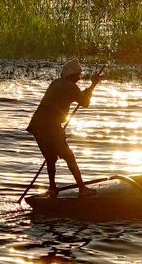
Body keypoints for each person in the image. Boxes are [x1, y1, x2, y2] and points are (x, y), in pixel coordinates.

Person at [27, 60, 103, 197]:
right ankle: (82, 188)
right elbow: (84, 102)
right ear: (71, 76)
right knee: (69, 156)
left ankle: (52, 188)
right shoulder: (71, 87)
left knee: (50, 158)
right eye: (78, 76)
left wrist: (87, 90)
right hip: (51, 127)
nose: (79, 78)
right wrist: (93, 85)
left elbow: (73, 96)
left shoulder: (56, 83)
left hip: (36, 126)